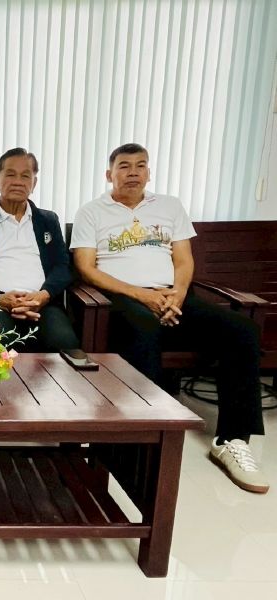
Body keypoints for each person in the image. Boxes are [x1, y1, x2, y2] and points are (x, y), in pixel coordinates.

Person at [71, 142, 268, 493]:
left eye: (140, 165)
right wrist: (142, 295)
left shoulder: (170, 206)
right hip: (123, 298)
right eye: (124, 166)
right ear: (109, 174)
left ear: (149, 172)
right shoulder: (91, 212)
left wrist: (176, 294)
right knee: (143, 328)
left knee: (242, 330)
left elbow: (184, 260)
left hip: (173, 295)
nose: (133, 172)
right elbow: (87, 269)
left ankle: (233, 440)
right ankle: (148, 431)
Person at [0, 147, 79, 351]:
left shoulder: (48, 220)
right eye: (10, 174)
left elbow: (62, 266)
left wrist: (44, 295)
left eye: (25, 176)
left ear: (34, 184)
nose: (18, 181)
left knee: (65, 343)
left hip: (42, 304)